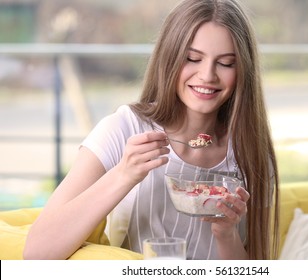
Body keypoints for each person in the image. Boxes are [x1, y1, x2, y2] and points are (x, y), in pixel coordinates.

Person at [24, 0, 279, 260]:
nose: (207, 75)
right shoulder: (123, 129)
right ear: (169, 58)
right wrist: (124, 174)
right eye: (192, 58)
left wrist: (227, 234)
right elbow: (37, 252)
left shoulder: (249, 152)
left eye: (225, 63)